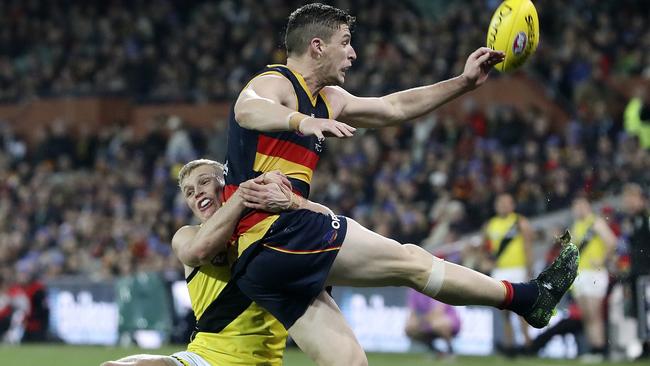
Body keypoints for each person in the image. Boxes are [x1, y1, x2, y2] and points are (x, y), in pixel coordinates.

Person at [224, 3, 579, 365]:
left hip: (262, 263)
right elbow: (248, 109)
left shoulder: (329, 99)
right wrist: (300, 122)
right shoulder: (276, 82)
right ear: (317, 46)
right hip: (275, 233)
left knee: (349, 363)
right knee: (412, 261)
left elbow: (394, 108)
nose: (353, 53)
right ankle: (527, 298)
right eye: (345, 42)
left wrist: (464, 83)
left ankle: (527, 298)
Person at [102, 159, 336, 366]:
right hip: (205, 358)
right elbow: (200, 251)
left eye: (204, 182)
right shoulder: (188, 235)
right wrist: (243, 196)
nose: (197, 193)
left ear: (227, 183)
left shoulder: (271, 232)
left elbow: (327, 220)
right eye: (189, 192)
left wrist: (292, 203)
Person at [482, 193, 534, 353]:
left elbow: (528, 245)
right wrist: (487, 260)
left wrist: (529, 268)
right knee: (504, 309)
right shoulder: (490, 224)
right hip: (500, 270)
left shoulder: (520, 222)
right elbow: (487, 247)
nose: (503, 206)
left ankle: (527, 344)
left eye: (506, 202)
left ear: (512, 205)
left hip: (518, 268)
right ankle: (510, 345)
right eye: (500, 202)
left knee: (521, 308)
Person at [569, 196, 616, 360]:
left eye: (582, 205)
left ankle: (600, 349)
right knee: (586, 314)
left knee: (594, 313)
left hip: (594, 273)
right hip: (580, 274)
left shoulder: (596, 222)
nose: (579, 209)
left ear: (588, 207)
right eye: (576, 206)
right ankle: (594, 348)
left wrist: (602, 260)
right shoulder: (577, 225)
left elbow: (611, 241)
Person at [621, 183, 650, 358]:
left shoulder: (646, 219)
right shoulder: (630, 221)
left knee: (646, 310)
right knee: (639, 311)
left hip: (647, 272)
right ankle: (645, 345)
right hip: (636, 271)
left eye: (632, 198)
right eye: (627, 199)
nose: (629, 202)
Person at [404, 289, 460, 358]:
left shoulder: (438, 287)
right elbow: (412, 313)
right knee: (410, 328)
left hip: (447, 321)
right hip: (426, 322)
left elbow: (438, 312)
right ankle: (435, 351)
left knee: (437, 324)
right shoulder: (414, 291)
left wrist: (421, 321)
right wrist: (414, 322)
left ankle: (450, 351)